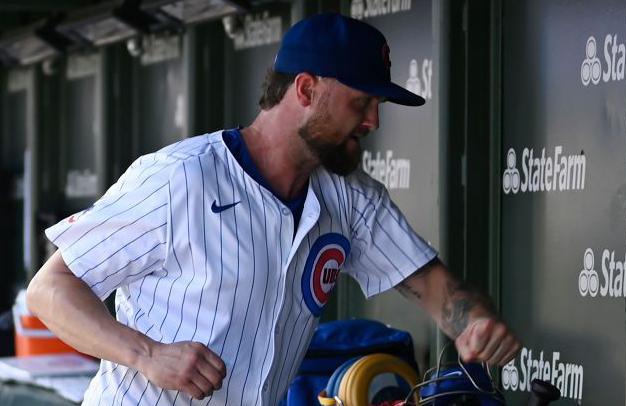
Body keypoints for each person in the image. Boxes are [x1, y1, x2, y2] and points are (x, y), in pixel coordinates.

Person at [26, 12, 520, 405]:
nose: (372, 120)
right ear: (306, 90)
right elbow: (50, 290)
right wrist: (147, 353)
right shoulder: (182, 177)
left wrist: (474, 324)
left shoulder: (348, 197)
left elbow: (438, 291)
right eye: (361, 102)